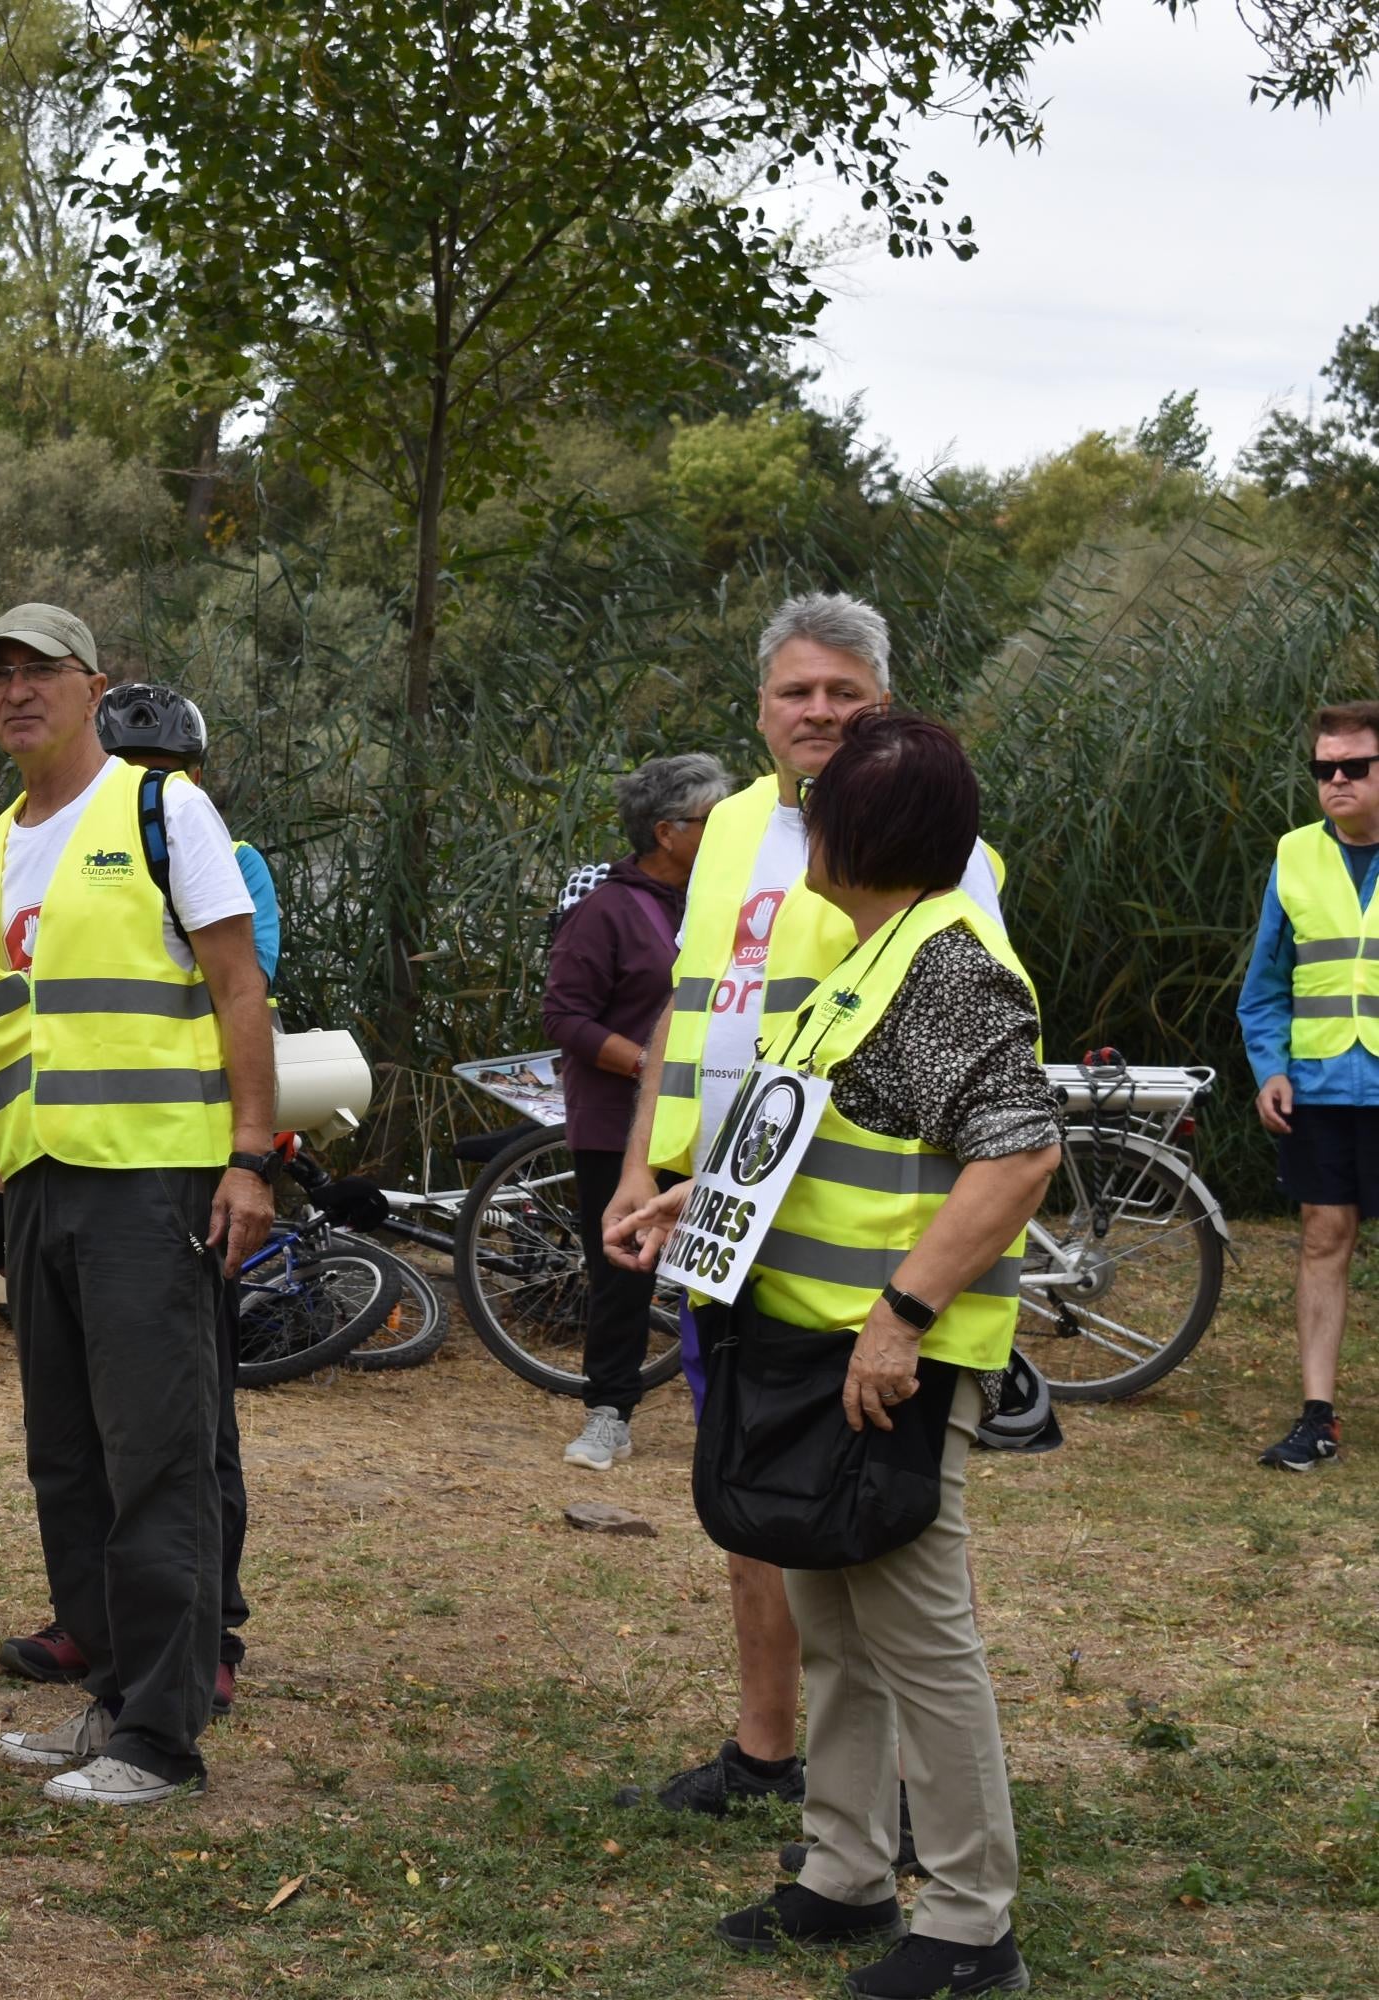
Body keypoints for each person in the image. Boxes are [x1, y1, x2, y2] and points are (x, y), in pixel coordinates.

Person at [613, 712, 1057, 2000]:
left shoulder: (945, 968)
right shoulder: (874, 955)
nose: (797, 832)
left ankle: (974, 1921)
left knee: (919, 1638)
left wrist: (901, 1316)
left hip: (889, 1368)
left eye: (820, 814)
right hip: (808, 1349)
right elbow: (812, 1148)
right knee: (835, 1625)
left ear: (865, 837)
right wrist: (693, 1204)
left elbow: (1020, 1154)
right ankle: (845, 1870)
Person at [598, 592, 1006, 1819]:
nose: (819, 711)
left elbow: (969, 1062)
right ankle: (771, 1746)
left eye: (845, 692)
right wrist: (643, 1163)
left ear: (885, 702)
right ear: (762, 707)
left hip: (851, 1245)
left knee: (860, 1530)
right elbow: (690, 999)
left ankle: (869, 1787)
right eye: (797, 692)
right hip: (722, 1220)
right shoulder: (723, 826)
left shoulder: (941, 844)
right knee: (751, 1492)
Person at [0, 603, 277, 1808]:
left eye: (41, 671)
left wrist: (251, 1156)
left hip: (153, 1182)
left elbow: (240, 986)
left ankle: (163, 1734)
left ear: (95, 687)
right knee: (68, 1460)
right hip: (37, 1187)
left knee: (159, 1456)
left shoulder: (159, 808)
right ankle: (115, 1692)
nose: (17, 691)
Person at [542, 751, 727, 1471]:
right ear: (666, 831)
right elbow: (565, 1016)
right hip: (618, 1122)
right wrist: (649, 1063)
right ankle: (608, 1414)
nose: (725, 831)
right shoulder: (606, 910)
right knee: (622, 1272)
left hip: (709, 1118)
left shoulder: (717, 903)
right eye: (710, 821)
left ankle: (726, 1408)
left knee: (720, 1264)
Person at [1236, 697, 1379, 1472]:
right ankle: (1317, 1418)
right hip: (1321, 1086)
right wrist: (1272, 1071)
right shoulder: (1295, 854)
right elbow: (1264, 987)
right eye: (1325, 769)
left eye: (1355, 767)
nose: (1337, 781)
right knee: (1324, 1238)